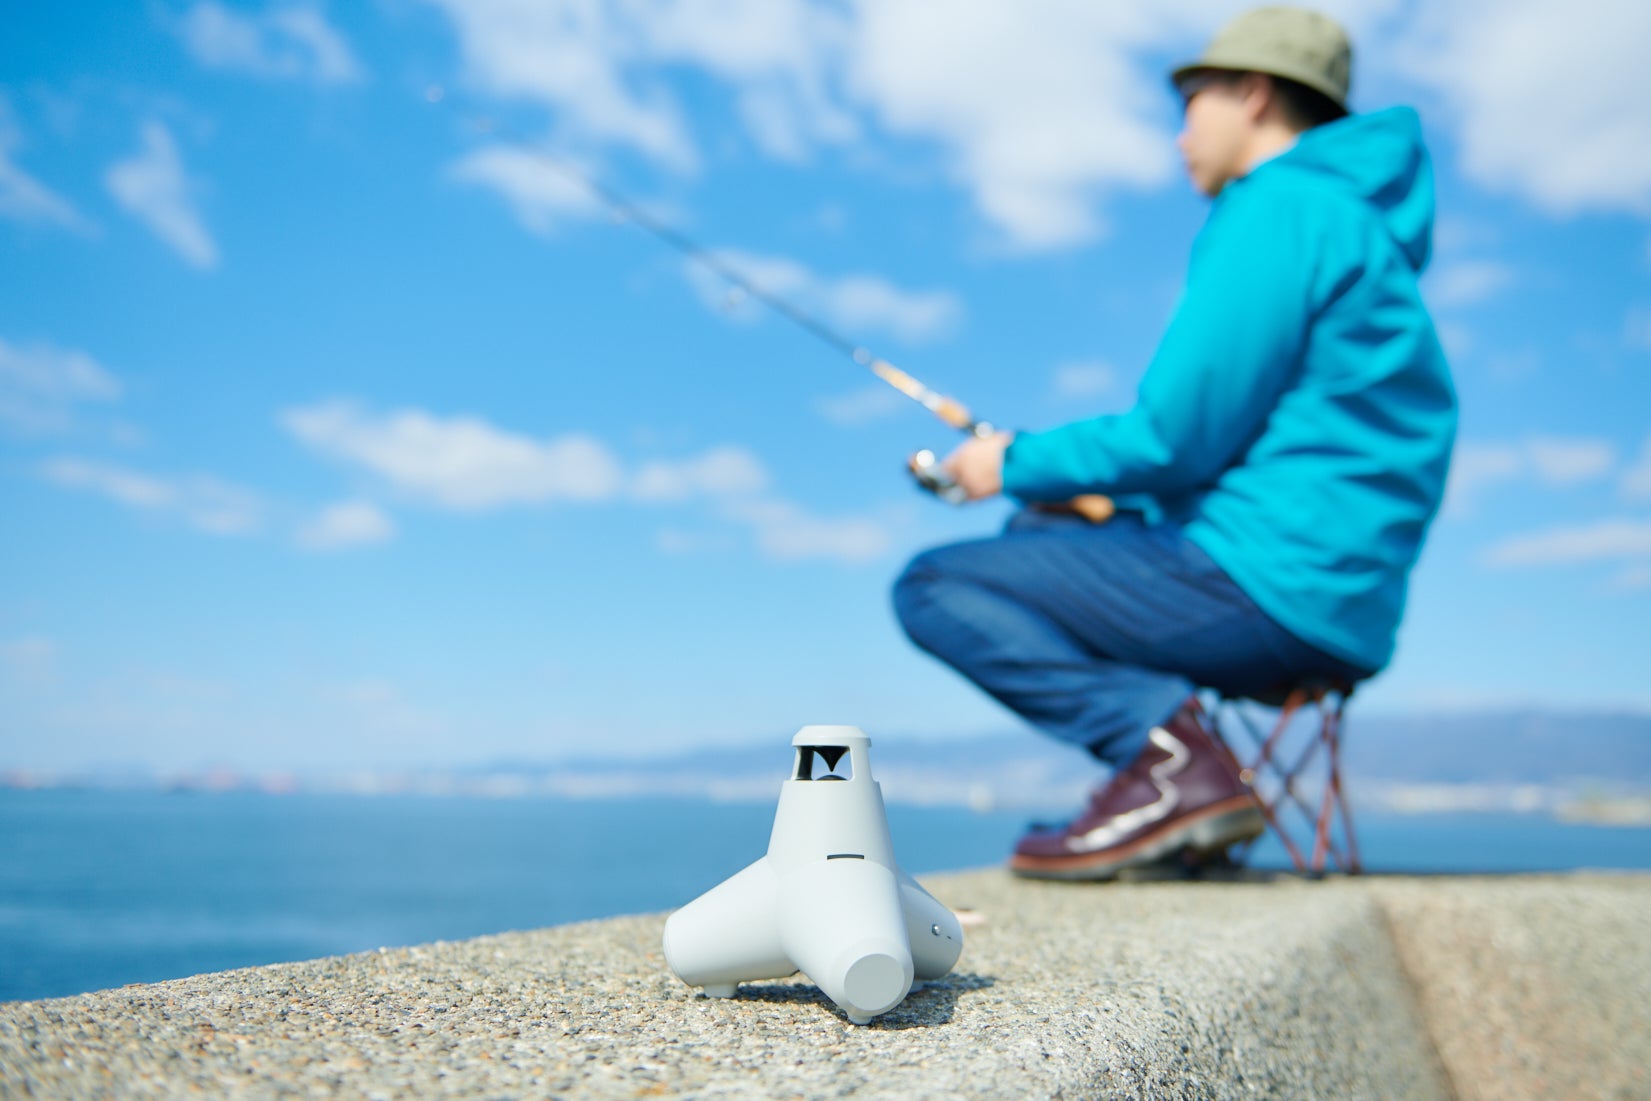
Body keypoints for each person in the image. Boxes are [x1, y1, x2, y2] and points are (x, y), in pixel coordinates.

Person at [892, 6, 1457, 880]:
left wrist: (1008, 462)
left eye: (1192, 103)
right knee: (1044, 528)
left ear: (1253, 94)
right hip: (1343, 613)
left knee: (934, 585)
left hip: (1264, 589)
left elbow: (1172, 437)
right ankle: (1181, 781)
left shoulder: (1280, 207)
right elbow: (1261, 446)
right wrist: (1098, 494)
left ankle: (1166, 761)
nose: (1180, 135)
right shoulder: (1359, 232)